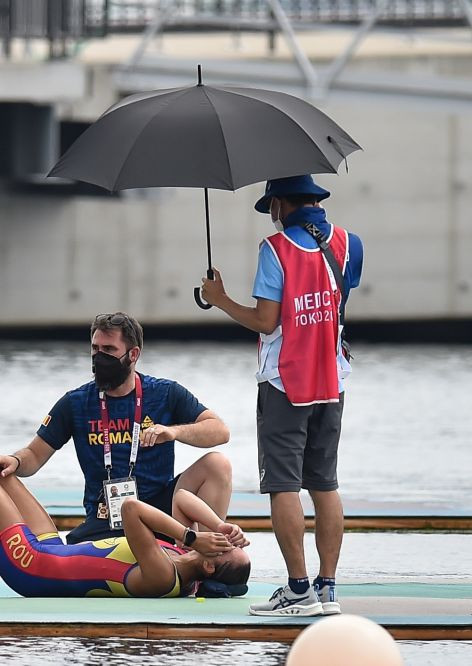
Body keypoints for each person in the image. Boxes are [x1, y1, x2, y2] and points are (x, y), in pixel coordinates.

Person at [200, 174, 363, 617]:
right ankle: (327, 590)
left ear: (280, 204)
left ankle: (297, 590)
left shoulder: (275, 249)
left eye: (271, 206)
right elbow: (337, 300)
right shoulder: (349, 243)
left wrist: (220, 298)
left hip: (284, 382)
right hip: (333, 378)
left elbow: (265, 321)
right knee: (325, 484)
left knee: (283, 485)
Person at [0, 312, 232, 547]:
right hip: (105, 515)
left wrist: (173, 432)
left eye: (109, 350)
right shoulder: (75, 402)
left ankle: (207, 559)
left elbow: (219, 431)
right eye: (95, 349)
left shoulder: (165, 393)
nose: (100, 357)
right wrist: (14, 460)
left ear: (133, 354)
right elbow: (34, 455)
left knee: (217, 464)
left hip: (161, 511)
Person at [0, 463, 250, 601]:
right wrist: (219, 525)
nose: (221, 541)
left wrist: (191, 536)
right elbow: (182, 497)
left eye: (224, 546)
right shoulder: (185, 554)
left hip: (33, 566)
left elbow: (131, 510)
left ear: (210, 566)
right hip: (51, 547)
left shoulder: (164, 576)